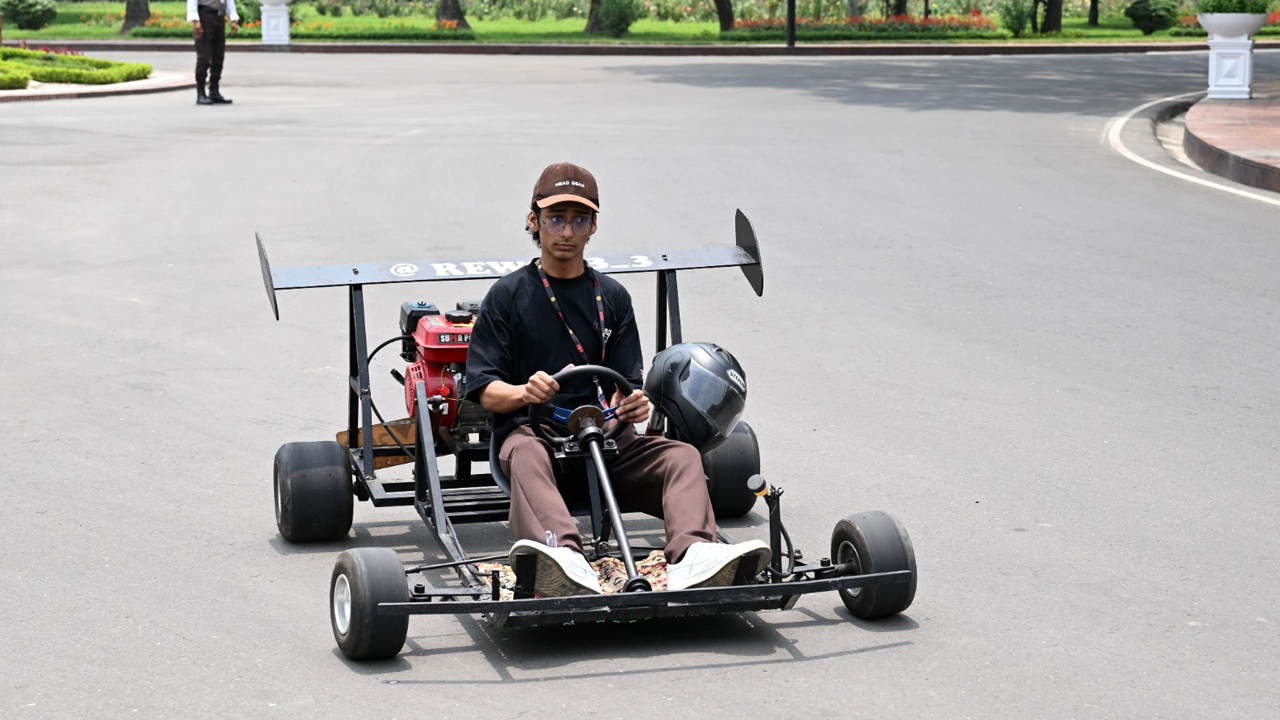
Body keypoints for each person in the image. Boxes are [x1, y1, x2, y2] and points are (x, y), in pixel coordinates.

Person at [464, 162, 769, 597]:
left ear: (593, 226)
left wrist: (634, 404)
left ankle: (695, 556)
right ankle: (562, 559)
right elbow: (484, 389)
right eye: (555, 218)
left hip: (604, 439)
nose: (567, 231)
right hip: (534, 436)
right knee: (527, 454)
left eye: (579, 220)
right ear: (534, 221)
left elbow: (627, 383)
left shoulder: (612, 296)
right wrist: (524, 391)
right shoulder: (508, 295)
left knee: (681, 456)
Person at [188, 0, 239, 106]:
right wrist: (195, 20)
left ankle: (214, 90)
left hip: (219, 17)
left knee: (218, 56)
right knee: (204, 57)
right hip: (205, 16)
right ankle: (201, 93)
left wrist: (233, 18)